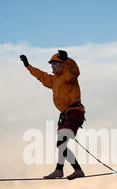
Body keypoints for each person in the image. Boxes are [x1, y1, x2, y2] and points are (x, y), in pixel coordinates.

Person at [20, 50, 86, 180]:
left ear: (62, 64)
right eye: (51, 65)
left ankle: (68, 170)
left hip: (75, 112)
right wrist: (28, 66)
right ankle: (62, 170)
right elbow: (41, 76)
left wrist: (67, 59)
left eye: (54, 64)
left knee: (61, 143)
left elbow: (75, 70)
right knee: (61, 144)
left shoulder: (68, 74)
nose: (52, 67)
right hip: (66, 115)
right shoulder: (53, 80)